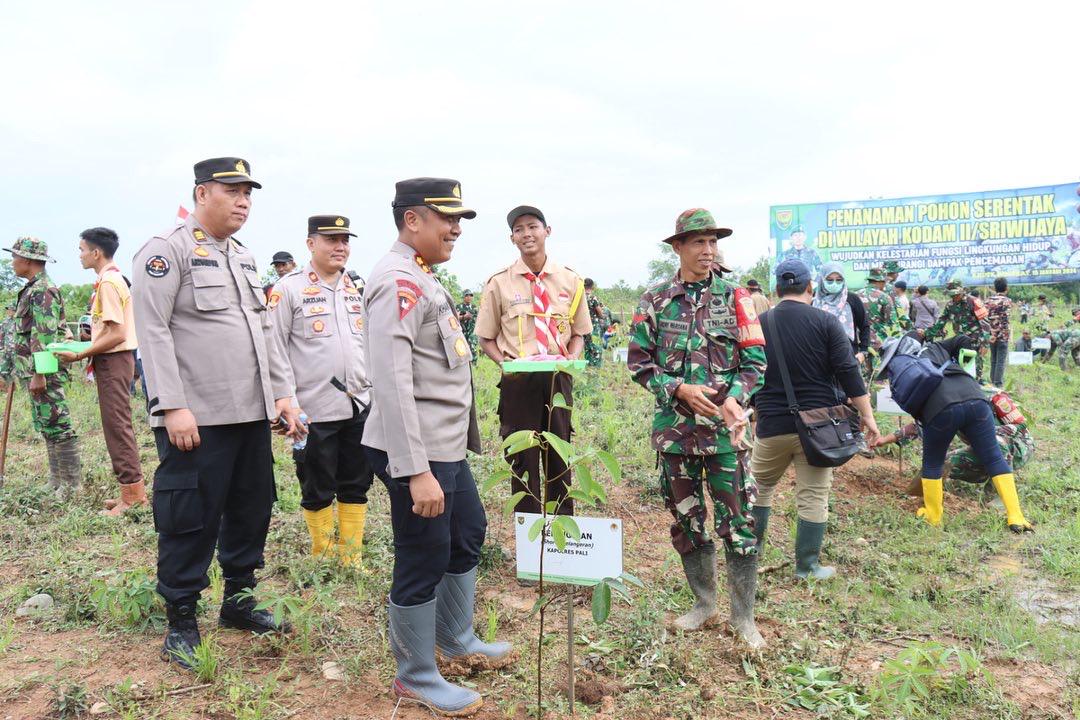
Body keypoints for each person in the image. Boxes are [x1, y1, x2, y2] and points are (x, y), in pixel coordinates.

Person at [133, 157, 304, 669]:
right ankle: (182, 618)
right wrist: (172, 405)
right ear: (202, 193)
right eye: (232, 191)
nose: (243, 201)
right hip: (197, 417)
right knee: (191, 517)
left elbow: (266, 331)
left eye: (248, 193)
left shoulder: (246, 258)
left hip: (250, 413)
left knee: (252, 506)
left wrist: (283, 395)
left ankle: (239, 599)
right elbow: (154, 331)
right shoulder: (168, 250)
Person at [363, 178, 512, 716]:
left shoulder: (422, 277)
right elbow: (393, 380)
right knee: (422, 554)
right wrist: (414, 470)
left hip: (442, 446)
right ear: (411, 221)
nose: (455, 229)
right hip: (417, 449)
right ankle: (416, 675)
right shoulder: (397, 282)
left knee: (466, 532)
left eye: (459, 220)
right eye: (445, 218)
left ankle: (456, 638)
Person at [627, 208, 766, 646]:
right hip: (675, 435)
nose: (708, 251)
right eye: (698, 243)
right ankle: (704, 604)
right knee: (688, 523)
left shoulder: (736, 297)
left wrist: (734, 399)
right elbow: (639, 364)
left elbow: (756, 363)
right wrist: (678, 389)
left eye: (713, 242)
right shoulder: (654, 300)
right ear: (678, 247)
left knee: (739, 524)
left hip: (727, 437)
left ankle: (744, 619)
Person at [751, 259, 880, 580]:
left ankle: (749, 555)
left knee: (759, 489)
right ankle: (807, 567)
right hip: (819, 427)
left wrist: (752, 412)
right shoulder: (826, 322)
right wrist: (868, 416)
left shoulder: (759, 324)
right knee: (813, 495)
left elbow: (748, 374)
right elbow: (849, 373)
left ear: (777, 290)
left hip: (771, 425)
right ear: (810, 287)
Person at [268, 215, 372, 567]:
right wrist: (286, 401)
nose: (340, 247)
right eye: (331, 239)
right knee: (317, 483)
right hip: (312, 407)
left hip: (358, 403)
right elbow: (274, 347)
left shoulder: (356, 287)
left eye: (345, 240)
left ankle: (351, 556)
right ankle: (323, 555)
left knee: (356, 481)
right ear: (311, 243)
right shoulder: (289, 288)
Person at [476, 205, 591, 516]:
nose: (526, 233)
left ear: (547, 231)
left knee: (559, 453)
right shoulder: (499, 283)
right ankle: (528, 534)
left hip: (557, 379)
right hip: (518, 382)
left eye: (532, 226)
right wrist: (505, 364)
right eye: (519, 229)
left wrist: (572, 357)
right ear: (512, 238)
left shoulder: (570, 280)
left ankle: (560, 534)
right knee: (522, 458)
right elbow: (485, 337)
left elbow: (580, 333)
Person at [874, 334, 1033, 533]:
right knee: (993, 457)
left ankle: (933, 516)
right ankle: (1016, 516)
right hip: (976, 398)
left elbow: (915, 412)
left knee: (933, 463)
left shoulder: (899, 376)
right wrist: (964, 365)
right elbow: (964, 340)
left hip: (940, 412)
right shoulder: (935, 348)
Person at [55, 228, 145, 516]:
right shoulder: (110, 280)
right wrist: (84, 341)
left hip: (114, 360)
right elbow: (108, 330)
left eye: (81, 249)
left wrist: (81, 353)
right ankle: (129, 492)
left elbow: (117, 334)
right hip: (112, 359)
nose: (79, 255)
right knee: (115, 425)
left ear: (95, 253)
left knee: (117, 426)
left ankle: (133, 496)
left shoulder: (108, 282)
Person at [0, 237, 82, 496]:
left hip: (44, 372)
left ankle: (70, 485)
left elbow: (43, 336)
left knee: (58, 424)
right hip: (34, 371)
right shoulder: (31, 288)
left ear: (27, 260)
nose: (12, 262)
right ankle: (56, 480)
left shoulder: (43, 290)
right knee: (47, 424)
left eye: (15, 257)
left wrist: (40, 374)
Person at [878, 390, 1035, 498]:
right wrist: (885, 440)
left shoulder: (993, 398)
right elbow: (918, 428)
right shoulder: (943, 405)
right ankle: (917, 495)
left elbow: (1020, 426)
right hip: (980, 449)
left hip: (1017, 447)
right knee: (943, 462)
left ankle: (999, 496)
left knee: (996, 443)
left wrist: (987, 431)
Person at [923, 280, 991, 384]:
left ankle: (975, 387)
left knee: (975, 370)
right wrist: (927, 333)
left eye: (956, 295)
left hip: (975, 340)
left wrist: (985, 344)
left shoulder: (973, 302)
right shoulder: (950, 305)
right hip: (960, 341)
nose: (954, 297)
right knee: (962, 369)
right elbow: (941, 321)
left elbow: (985, 323)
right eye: (951, 295)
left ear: (962, 291)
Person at [812, 262, 870, 365]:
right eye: (829, 280)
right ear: (822, 279)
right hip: (818, 357)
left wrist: (863, 351)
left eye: (839, 280)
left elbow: (864, 326)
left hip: (848, 357)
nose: (834, 283)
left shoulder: (852, 299)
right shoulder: (813, 300)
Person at [856, 267, 901, 386]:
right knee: (879, 377)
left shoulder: (855, 296)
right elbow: (892, 323)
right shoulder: (884, 297)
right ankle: (878, 403)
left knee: (862, 377)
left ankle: (866, 402)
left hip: (859, 342)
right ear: (880, 281)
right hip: (878, 343)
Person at [985, 277, 1013, 387]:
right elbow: (1004, 320)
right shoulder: (1007, 301)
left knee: (993, 359)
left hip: (991, 334)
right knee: (1000, 361)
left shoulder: (987, 300)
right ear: (1006, 288)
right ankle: (998, 385)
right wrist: (998, 334)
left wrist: (992, 334)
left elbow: (985, 319)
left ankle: (992, 383)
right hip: (1002, 335)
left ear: (995, 288)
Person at [583, 278, 606, 367]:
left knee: (588, 347)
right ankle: (596, 367)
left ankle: (588, 365)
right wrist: (603, 316)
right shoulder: (592, 298)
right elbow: (599, 312)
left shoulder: (580, 298)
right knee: (596, 348)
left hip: (583, 327)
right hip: (593, 326)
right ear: (592, 287)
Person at [455, 290, 478, 364]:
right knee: (462, 349)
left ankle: (473, 364)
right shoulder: (459, 307)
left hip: (472, 331)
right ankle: (463, 364)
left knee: (472, 346)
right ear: (463, 297)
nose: (469, 297)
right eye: (467, 295)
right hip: (462, 331)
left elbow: (479, 319)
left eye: (471, 295)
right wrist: (464, 317)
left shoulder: (475, 308)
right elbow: (455, 318)